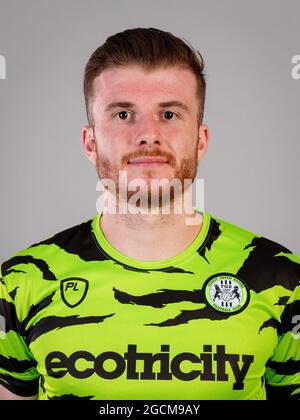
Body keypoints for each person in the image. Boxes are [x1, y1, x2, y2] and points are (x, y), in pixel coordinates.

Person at [0, 27, 299, 401]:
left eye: (170, 114)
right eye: (123, 114)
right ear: (91, 142)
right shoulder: (20, 282)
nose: (148, 135)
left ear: (200, 139)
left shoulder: (282, 279)